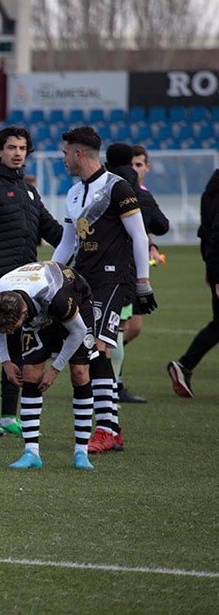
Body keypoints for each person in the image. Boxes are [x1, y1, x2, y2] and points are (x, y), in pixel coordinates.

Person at [51, 126, 155, 454]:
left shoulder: (117, 187)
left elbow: (139, 236)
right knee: (90, 349)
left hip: (112, 280)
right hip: (82, 280)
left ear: (79, 153)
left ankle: (106, 429)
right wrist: (49, 273)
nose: (64, 157)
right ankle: (112, 428)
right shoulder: (72, 193)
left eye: (66, 152)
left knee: (95, 346)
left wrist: (142, 283)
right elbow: (68, 241)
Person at [0, 126, 63, 438]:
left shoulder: (29, 191)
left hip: (26, 285)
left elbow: (52, 229)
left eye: (22, 148)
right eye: (12, 147)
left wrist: (81, 241)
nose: (17, 153)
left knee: (18, 349)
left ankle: (7, 416)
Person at [0, 261, 97, 470]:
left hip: (76, 300)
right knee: (30, 372)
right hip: (38, 310)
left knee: (79, 373)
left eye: (14, 327)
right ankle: (31, 453)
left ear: (24, 311)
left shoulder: (56, 298)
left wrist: (55, 369)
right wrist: (6, 361)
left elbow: (78, 332)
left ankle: (81, 452)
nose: (10, 332)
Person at [105, 143, 169, 404]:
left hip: (126, 271)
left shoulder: (107, 188)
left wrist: (151, 245)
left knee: (127, 329)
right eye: (133, 164)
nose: (136, 169)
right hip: (125, 273)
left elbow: (143, 232)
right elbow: (159, 225)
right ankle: (111, 386)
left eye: (140, 164)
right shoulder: (137, 195)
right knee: (117, 330)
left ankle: (109, 379)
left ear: (147, 167)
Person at [168, 166, 219, 398]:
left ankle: (185, 365)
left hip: (213, 262)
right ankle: (185, 364)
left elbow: (205, 233)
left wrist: (211, 267)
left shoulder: (210, 191)